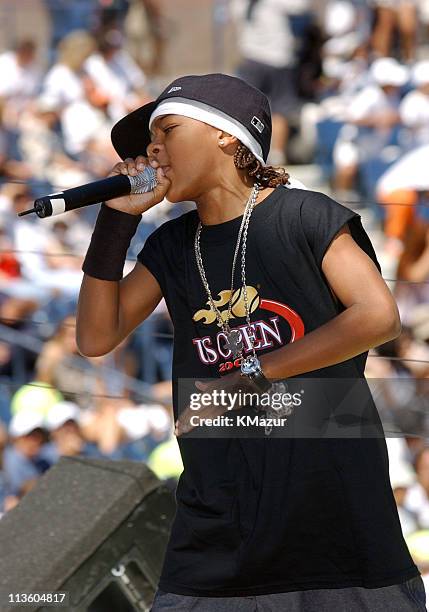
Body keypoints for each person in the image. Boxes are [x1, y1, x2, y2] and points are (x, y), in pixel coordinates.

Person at [75, 73, 426, 610]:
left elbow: (377, 316)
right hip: (215, 534)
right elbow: (96, 337)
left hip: (336, 525)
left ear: (226, 135)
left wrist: (254, 374)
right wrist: (115, 222)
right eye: (151, 141)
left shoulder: (305, 215)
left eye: (167, 130)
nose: (153, 149)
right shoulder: (172, 244)